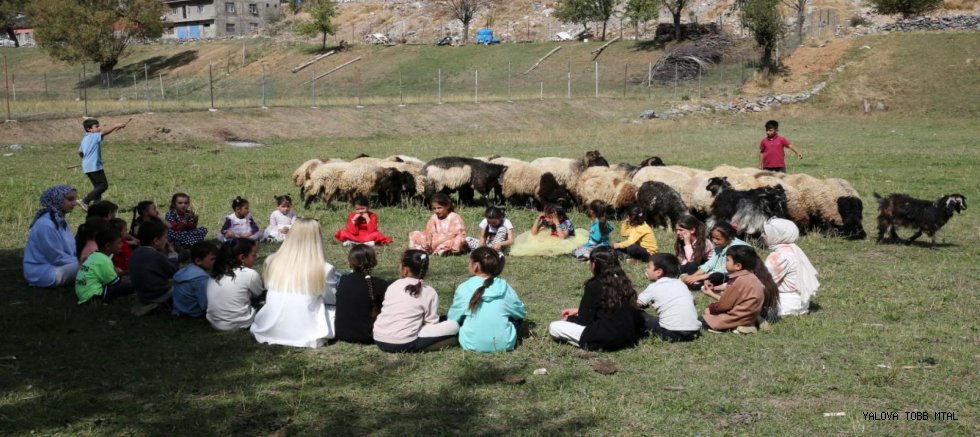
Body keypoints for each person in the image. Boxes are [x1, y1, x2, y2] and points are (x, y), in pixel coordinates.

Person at [251, 218, 340, 347]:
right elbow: (332, 301)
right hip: (307, 333)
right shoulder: (324, 268)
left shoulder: (272, 261)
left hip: (270, 327)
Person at [548, 247, 645, 351]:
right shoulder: (623, 280)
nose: (588, 263)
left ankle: (587, 344)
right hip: (629, 338)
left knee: (554, 326)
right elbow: (611, 307)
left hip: (606, 339)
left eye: (590, 260)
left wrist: (569, 319)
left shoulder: (594, 285)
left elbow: (584, 320)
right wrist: (577, 310)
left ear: (594, 264)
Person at [373, 250, 460, 352]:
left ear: (405, 270)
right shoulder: (429, 291)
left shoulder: (392, 285)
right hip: (404, 343)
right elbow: (431, 323)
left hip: (379, 338)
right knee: (453, 325)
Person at [448, 247, 527, 353]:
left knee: (462, 319)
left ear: (475, 266)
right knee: (515, 319)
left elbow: (453, 318)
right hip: (506, 344)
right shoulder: (504, 286)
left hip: (470, 343)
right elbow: (520, 313)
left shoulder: (464, 287)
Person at [700, 245, 779, 333]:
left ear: (738, 266)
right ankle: (754, 322)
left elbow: (724, 305)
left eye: (727, 260)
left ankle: (739, 326)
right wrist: (714, 289)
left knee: (706, 314)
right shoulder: (753, 278)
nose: (725, 263)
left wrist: (711, 303)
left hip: (739, 316)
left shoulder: (737, 281)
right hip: (751, 314)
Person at [23, 185, 80, 287]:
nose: (75, 203)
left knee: (92, 261)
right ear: (57, 199)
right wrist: (81, 260)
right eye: (70, 199)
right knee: (88, 265)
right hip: (42, 273)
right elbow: (57, 258)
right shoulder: (46, 225)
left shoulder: (59, 219)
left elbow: (70, 248)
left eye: (75, 199)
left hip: (56, 266)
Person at [637, 253, 701, 342]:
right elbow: (693, 302)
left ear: (658, 272)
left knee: (637, 315)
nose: (646, 269)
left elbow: (636, 304)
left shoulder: (654, 286)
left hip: (671, 333)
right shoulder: (681, 284)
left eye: (648, 267)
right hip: (693, 332)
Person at [334, 244, 390, 344]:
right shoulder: (380, 284)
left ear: (350, 263)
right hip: (368, 336)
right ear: (374, 262)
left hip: (341, 333)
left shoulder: (343, 281)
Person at [763, 218, 819, 317]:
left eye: (766, 232)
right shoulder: (794, 250)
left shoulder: (778, 256)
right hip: (802, 305)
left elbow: (763, 282)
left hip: (784, 306)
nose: (762, 235)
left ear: (777, 235)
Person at [206, 239, 265, 331]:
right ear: (242, 257)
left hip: (215, 323)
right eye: (253, 255)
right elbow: (258, 294)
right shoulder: (250, 274)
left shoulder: (214, 274)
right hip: (241, 323)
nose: (256, 257)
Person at [129, 219, 178, 314]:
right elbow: (175, 272)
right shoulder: (156, 256)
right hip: (158, 294)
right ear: (156, 241)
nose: (166, 240)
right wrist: (173, 254)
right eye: (165, 237)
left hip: (142, 295)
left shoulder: (135, 253)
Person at [75, 227, 134, 304]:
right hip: (93, 297)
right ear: (108, 246)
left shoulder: (95, 256)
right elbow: (116, 283)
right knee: (131, 286)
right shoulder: (104, 260)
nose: (122, 245)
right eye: (119, 243)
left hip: (84, 294)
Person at [681, 222, 749, 289]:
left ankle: (699, 285)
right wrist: (693, 276)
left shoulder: (736, 248)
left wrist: (698, 277)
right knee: (691, 266)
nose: (714, 241)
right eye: (713, 238)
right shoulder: (720, 245)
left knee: (717, 276)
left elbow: (725, 270)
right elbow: (710, 264)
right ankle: (696, 281)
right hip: (715, 272)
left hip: (732, 275)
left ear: (729, 238)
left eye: (718, 239)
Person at [78, 118, 128, 207]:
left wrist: (86, 159)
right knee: (103, 185)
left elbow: (80, 152)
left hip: (87, 166)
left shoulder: (84, 139)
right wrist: (116, 125)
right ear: (89, 129)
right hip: (94, 166)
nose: (99, 128)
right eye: (96, 127)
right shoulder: (93, 136)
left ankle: (96, 208)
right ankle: (85, 200)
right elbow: (105, 132)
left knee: (97, 188)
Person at [510, 204, 585, 257]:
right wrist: (538, 219)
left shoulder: (566, 223)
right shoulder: (548, 221)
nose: (547, 219)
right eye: (546, 216)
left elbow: (562, 237)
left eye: (550, 217)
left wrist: (556, 222)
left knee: (560, 244)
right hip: (553, 238)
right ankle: (543, 250)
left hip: (566, 239)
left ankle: (548, 251)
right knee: (535, 238)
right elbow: (533, 233)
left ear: (560, 217)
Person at [172, 241, 219, 318]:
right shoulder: (200, 279)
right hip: (193, 312)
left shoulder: (188, 269)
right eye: (212, 259)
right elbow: (205, 305)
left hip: (179, 309)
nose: (216, 261)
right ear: (198, 261)